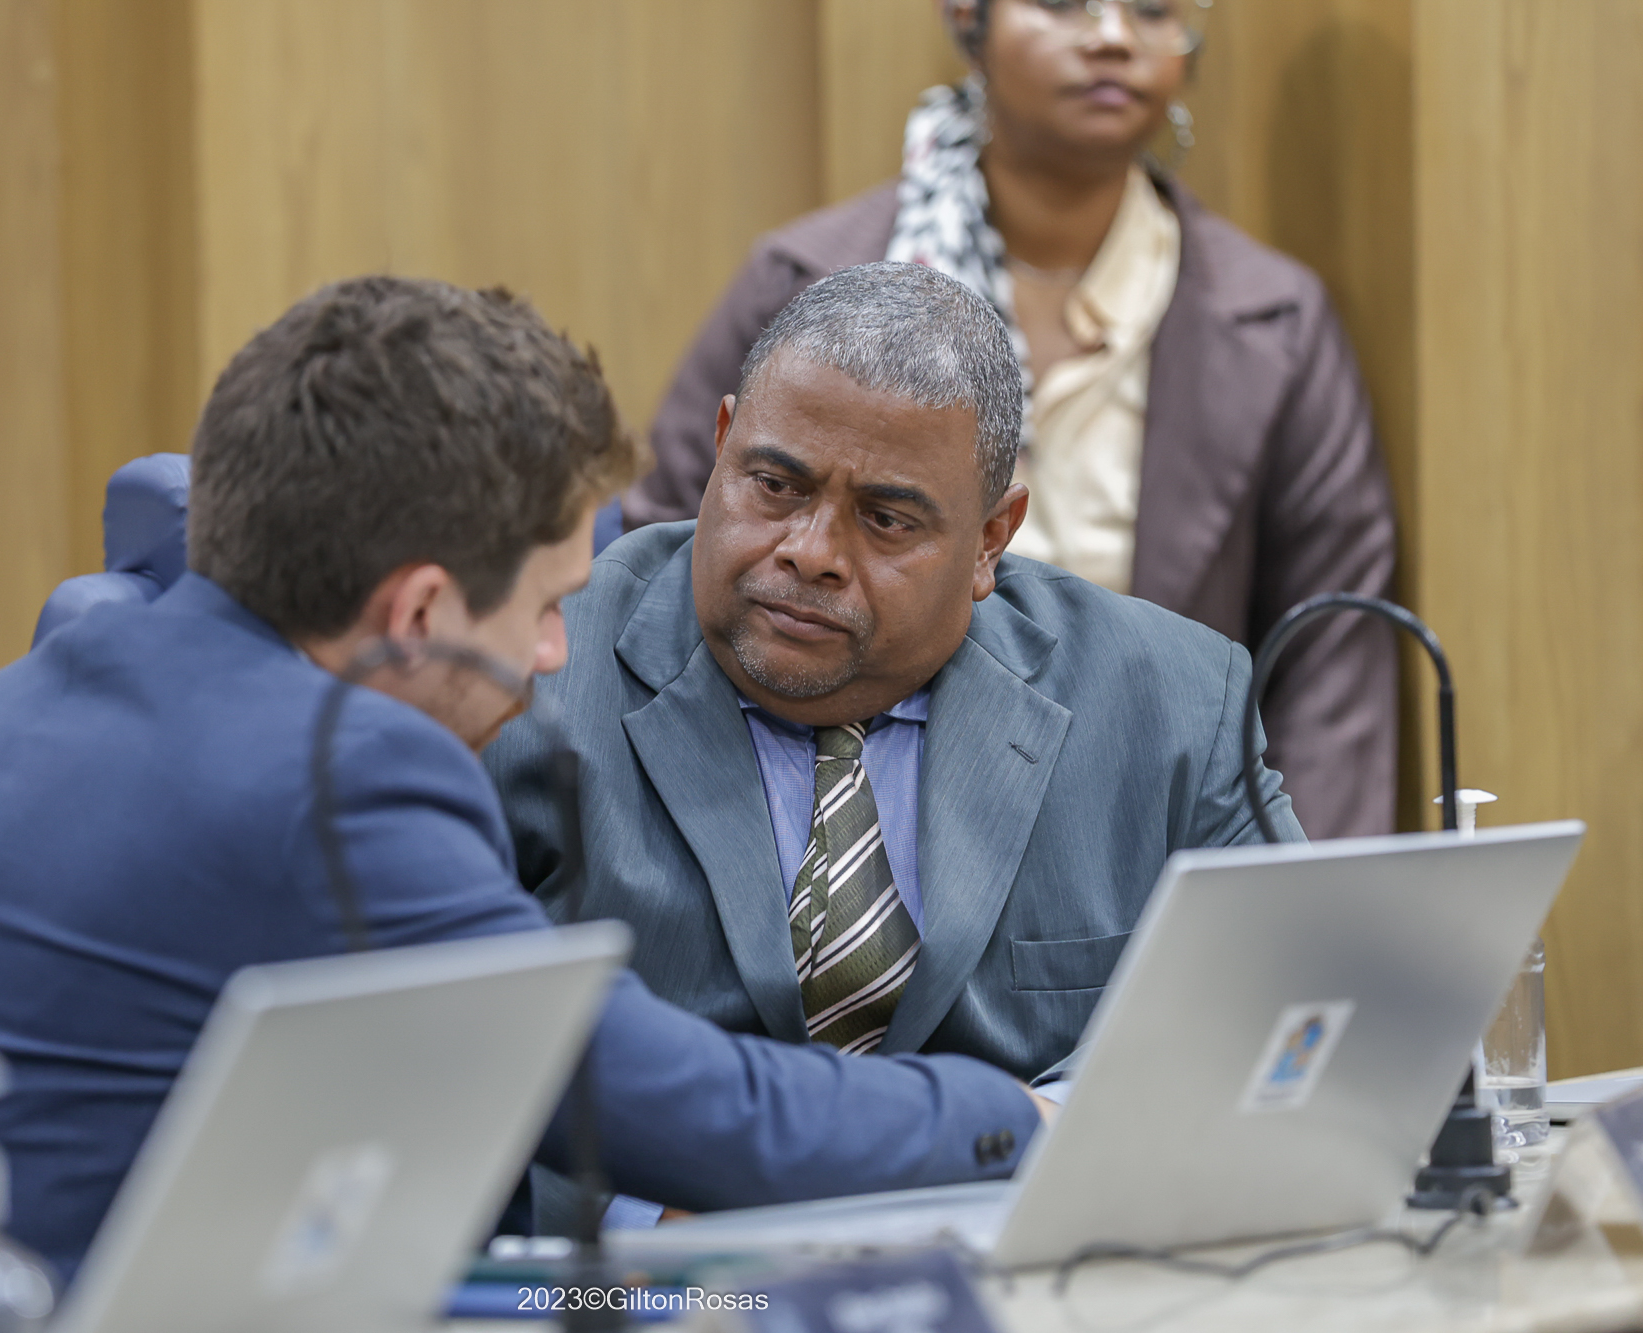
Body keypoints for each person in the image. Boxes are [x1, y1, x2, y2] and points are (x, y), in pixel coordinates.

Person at [0, 277, 1048, 1332]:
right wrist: (1015, 1118)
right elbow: (673, 1109)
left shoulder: (18, 697)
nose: (553, 656)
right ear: (420, 611)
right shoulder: (332, 773)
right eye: (546, 607)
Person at [487, 262, 1300, 1224]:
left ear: (992, 538)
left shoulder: (1172, 703)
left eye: (885, 518)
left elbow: (1282, 1005)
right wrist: (636, 1228)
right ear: (721, 446)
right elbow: (432, 1057)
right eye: (775, 485)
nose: (811, 551)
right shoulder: (520, 682)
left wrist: (1058, 1132)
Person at [620, 0, 1397, 839]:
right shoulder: (805, 283)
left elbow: (1333, 654)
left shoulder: (1276, 322)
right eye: (1062, 2)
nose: (1112, 36)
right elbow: (667, 559)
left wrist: (1295, 898)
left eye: (1151, 8)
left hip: (1146, 830)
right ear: (970, 16)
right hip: (828, 818)